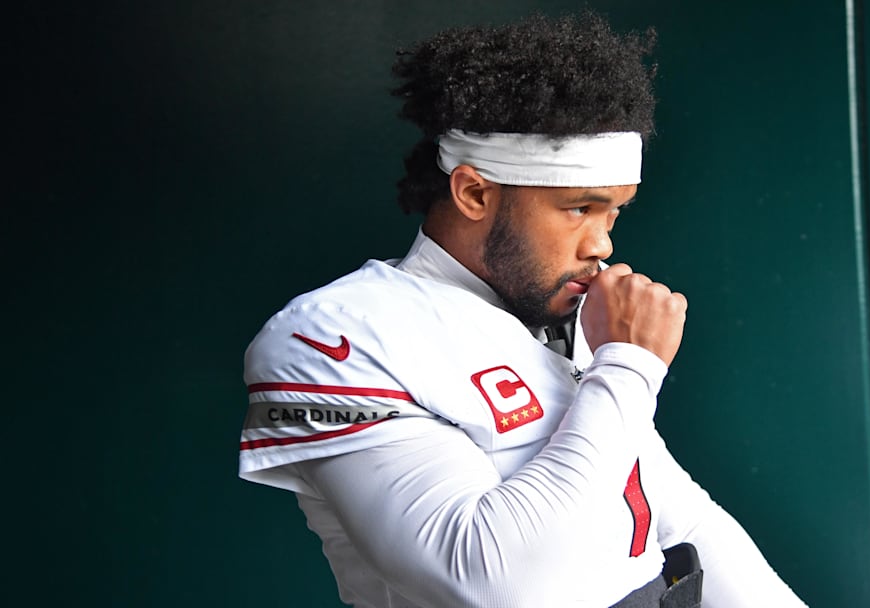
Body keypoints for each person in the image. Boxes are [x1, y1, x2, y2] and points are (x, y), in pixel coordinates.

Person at [238, 12, 808, 608]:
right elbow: (499, 584)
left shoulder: (567, 321)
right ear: (475, 193)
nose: (602, 245)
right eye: (578, 208)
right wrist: (631, 368)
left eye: (613, 212)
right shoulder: (333, 335)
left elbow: (678, 519)